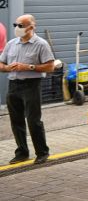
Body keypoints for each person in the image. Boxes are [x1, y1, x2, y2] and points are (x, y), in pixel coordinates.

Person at [0, 14, 54, 164]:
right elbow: (1, 64)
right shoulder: (11, 44)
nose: (17, 28)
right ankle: (22, 152)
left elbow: (50, 66)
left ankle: (42, 152)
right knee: (16, 120)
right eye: (15, 25)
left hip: (31, 85)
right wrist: (6, 68)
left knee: (33, 120)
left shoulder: (41, 44)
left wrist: (28, 67)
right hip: (13, 85)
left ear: (31, 27)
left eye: (20, 26)